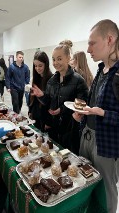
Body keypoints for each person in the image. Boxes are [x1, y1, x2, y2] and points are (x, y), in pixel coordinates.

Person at [73, 19, 119, 213]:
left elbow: (104, 111)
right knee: (86, 181)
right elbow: (92, 105)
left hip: (106, 144)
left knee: (106, 190)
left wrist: (103, 113)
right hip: (88, 136)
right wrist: (83, 114)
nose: (89, 49)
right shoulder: (100, 70)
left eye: (92, 43)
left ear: (109, 39)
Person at [31, 40, 88, 155]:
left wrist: (61, 110)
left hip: (70, 129)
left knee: (68, 158)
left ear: (68, 58)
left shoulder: (78, 81)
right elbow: (49, 101)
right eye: (53, 59)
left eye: (59, 59)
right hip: (54, 127)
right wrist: (42, 96)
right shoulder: (52, 81)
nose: (56, 62)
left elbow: (82, 105)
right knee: (53, 157)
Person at [28, 51, 53, 131]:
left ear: (46, 65)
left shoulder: (51, 79)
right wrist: (30, 110)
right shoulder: (36, 78)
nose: (37, 68)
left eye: (40, 66)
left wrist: (49, 122)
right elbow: (32, 97)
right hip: (36, 116)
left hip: (45, 118)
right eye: (35, 66)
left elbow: (52, 103)